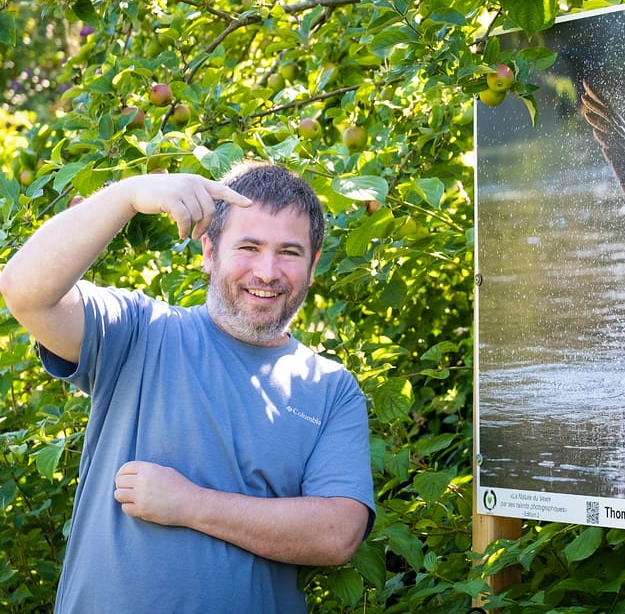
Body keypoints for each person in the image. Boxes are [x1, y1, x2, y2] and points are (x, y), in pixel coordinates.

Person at [0, 161, 375, 613]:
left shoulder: (331, 389)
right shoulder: (140, 330)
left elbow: (337, 534)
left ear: (313, 265)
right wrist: (128, 194)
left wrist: (190, 504)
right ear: (209, 251)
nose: (268, 271)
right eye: (249, 247)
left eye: (289, 253)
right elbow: (24, 292)